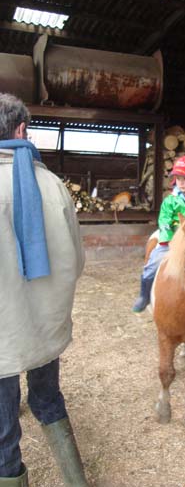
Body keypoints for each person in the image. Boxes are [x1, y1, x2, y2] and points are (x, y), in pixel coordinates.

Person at [0, 93, 88, 486]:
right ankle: (75, 480)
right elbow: (78, 262)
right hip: (44, 325)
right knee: (48, 399)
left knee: (2, 424)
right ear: (21, 130)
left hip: (3, 332)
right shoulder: (52, 184)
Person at [132, 155, 185, 313]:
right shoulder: (170, 200)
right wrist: (168, 238)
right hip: (174, 237)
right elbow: (164, 219)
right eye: (178, 178)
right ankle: (144, 295)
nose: (181, 182)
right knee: (152, 262)